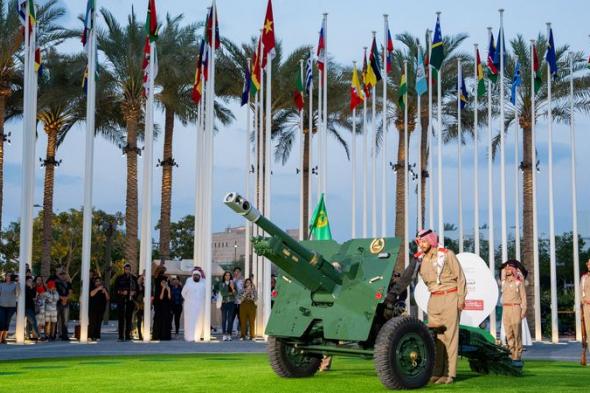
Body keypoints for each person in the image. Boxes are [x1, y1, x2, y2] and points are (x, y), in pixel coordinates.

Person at [416, 229, 466, 385]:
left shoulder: (446, 254)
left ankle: (449, 374)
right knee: (437, 339)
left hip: (449, 297)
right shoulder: (421, 259)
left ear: (431, 241)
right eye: (419, 242)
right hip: (434, 300)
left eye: (423, 241)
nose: (421, 245)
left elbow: (461, 278)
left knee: (450, 337)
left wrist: (460, 299)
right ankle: (437, 372)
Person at [500, 261, 527, 361]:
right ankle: (511, 352)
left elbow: (523, 298)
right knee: (509, 332)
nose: (506, 270)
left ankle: (518, 353)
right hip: (506, 308)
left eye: (509, 268)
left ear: (513, 270)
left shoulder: (518, 283)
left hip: (515, 308)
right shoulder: (504, 283)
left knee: (517, 332)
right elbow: (502, 273)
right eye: (506, 269)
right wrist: (506, 268)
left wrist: (523, 310)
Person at [182, 268, 207, 342]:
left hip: (200, 307)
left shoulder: (203, 284)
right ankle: (189, 337)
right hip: (189, 307)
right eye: (195, 275)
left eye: (197, 275)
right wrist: (189, 301)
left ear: (200, 276)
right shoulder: (188, 284)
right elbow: (183, 293)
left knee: (198, 321)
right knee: (189, 322)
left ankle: (197, 337)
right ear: (192, 276)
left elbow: (206, 295)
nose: (196, 276)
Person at [114, 263, 137, 341]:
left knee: (129, 318)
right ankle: (121, 336)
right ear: (124, 269)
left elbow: (137, 290)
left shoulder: (133, 278)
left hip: (130, 301)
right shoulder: (119, 278)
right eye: (126, 269)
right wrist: (122, 292)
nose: (127, 270)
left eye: (128, 269)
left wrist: (134, 293)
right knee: (121, 319)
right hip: (121, 300)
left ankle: (127, 335)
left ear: (130, 270)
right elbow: (115, 290)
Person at [89, 277, 110, 341]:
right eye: (96, 281)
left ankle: (97, 336)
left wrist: (105, 291)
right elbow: (91, 294)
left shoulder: (104, 288)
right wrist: (98, 289)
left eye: (99, 281)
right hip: (93, 308)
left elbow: (108, 298)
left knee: (98, 322)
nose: (98, 282)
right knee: (92, 322)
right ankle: (91, 336)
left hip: (101, 308)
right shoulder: (92, 288)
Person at [0, 272, 19, 344]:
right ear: (5, 277)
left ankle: (4, 338)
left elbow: (18, 293)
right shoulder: (1, 284)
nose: (9, 277)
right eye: (8, 275)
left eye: (11, 276)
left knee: (7, 322)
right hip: (1, 306)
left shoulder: (15, 285)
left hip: (11, 307)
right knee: (1, 322)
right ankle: (0, 338)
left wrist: (17, 283)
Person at [152, 273, 172, 341]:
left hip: (166, 308)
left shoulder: (169, 288)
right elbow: (160, 298)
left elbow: (169, 298)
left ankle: (165, 336)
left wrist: (168, 290)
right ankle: (157, 336)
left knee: (166, 321)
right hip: (159, 308)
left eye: (164, 282)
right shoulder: (158, 290)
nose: (164, 283)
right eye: (162, 282)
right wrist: (163, 289)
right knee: (158, 322)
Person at [55, 270, 73, 341]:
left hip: (66, 303)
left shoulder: (68, 283)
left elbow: (70, 292)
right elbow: (55, 292)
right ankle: (53, 335)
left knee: (65, 320)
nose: (63, 276)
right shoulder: (56, 283)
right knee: (55, 320)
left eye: (64, 275)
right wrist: (62, 298)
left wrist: (66, 299)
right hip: (57, 303)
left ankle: (64, 335)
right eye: (61, 275)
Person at [218, 271, 236, 341]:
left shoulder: (233, 283)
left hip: (231, 303)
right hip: (224, 303)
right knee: (224, 319)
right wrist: (231, 292)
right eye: (226, 275)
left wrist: (232, 288)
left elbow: (235, 293)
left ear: (230, 276)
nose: (227, 276)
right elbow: (223, 293)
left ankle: (229, 334)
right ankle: (224, 334)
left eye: (229, 275)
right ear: (224, 276)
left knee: (230, 319)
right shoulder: (221, 284)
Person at [581, 259, 590, 356]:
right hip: (587, 306)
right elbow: (581, 294)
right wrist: (583, 301)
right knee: (588, 331)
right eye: (588, 264)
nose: (589, 265)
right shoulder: (584, 278)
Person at [232, 267, 245, 336]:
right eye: (235, 271)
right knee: (233, 317)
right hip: (234, 301)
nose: (236, 273)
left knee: (241, 317)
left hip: (241, 301)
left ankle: (242, 332)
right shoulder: (232, 280)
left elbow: (244, 289)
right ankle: (234, 331)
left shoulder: (243, 280)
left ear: (240, 272)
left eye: (238, 271)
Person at [135, 275, 145, 341]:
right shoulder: (135, 287)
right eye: (140, 279)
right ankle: (139, 334)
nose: (141, 280)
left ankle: (142, 334)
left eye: (142, 279)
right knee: (138, 321)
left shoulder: (144, 287)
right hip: (137, 305)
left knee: (142, 320)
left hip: (143, 305)